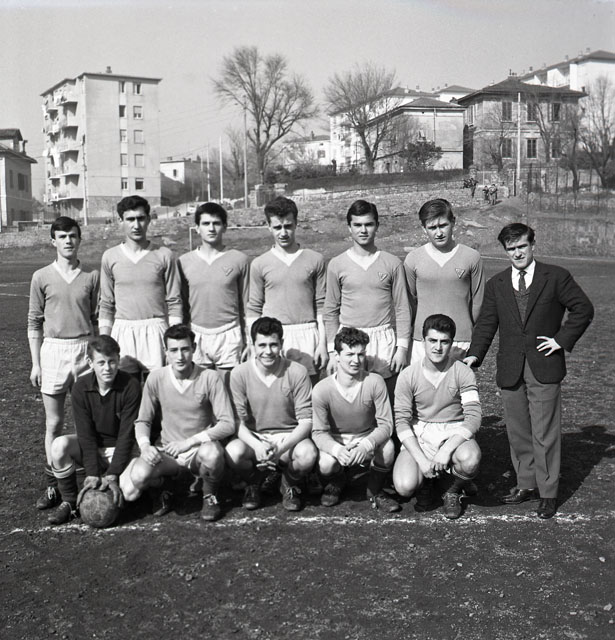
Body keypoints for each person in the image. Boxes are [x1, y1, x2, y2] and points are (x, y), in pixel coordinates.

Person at [464, 223, 593, 519]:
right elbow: (486, 324)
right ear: (505, 251)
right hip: (510, 367)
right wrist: (474, 354)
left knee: (545, 433)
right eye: (511, 249)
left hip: (544, 365)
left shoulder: (556, 276)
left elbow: (583, 308)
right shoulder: (497, 284)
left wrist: (561, 339)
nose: (517, 253)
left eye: (522, 246)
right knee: (518, 431)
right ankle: (526, 483)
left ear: (533, 245)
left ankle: (547, 493)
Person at [122, 325, 236, 522]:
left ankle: (209, 495)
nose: (180, 356)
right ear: (165, 352)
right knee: (137, 479)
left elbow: (228, 424)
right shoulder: (156, 378)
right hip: (169, 452)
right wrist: (145, 446)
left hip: (198, 450)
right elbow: (143, 420)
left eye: (185, 349)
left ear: (194, 348)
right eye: (173, 350)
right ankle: (166, 487)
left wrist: (189, 442)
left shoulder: (210, 377)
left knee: (212, 453)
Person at [28, 216, 99, 511]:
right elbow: (34, 322)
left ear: (79, 239)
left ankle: (91, 478)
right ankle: (54, 486)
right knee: (54, 423)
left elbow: (96, 317)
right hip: (54, 351)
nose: (68, 241)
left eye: (72, 235)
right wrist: (36, 364)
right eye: (62, 236)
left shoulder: (92, 276)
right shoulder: (41, 276)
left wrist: (98, 354)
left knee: (89, 420)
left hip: (85, 350)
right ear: (53, 241)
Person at [393, 314, 482, 520]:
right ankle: (429, 479)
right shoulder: (408, 375)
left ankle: (452, 489)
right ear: (423, 341)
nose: (438, 347)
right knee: (404, 486)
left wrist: (446, 450)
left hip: (453, 430)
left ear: (452, 343)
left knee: (470, 461)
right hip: (421, 433)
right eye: (432, 340)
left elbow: (474, 417)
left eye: (444, 341)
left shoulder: (463, 372)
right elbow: (402, 422)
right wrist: (422, 460)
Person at [47, 336, 141, 525]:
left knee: (131, 492)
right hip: (95, 448)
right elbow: (85, 434)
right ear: (90, 363)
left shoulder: (131, 385)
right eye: (101, 363)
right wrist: (92, 472)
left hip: (123, 449)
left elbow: (127, 435)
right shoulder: (80, 387)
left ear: (118, 359)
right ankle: (70, 501)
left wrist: (113, 473)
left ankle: (129, 488)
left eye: (112, 362)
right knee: (58, 446)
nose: (107, 368)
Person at [226, 317, 317, 512]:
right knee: (233, 452)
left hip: (288, 437)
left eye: (273, 345)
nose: (268, 351)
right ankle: (255, 482)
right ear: (253, 345)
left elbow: (306, 422)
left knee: (308, 455)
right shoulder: (239, 373)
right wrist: (257, 445)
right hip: (256, 437)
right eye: (262, 345)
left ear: (281, 344)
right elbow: (237, 422)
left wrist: (281, 449)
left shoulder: (297, 371)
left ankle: (288, 482)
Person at [323, 200, 411, 397]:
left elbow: (402, 308)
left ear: (377, 226)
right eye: (357, 225)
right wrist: (332, 351)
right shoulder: (337, 264)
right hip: (349, 341)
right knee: (352, 399)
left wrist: (402, 348)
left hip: (383, 341)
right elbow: (330, 311)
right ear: (349, 227)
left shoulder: (392, 263)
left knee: (385, 398)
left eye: (369, 224)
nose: (363, 230)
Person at [312, 328, 400, 512]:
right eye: (349, 354)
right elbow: (319, 432)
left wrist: (365, 445)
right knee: (325, 464)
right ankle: (337, 480)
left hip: (365, 436)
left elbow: (386, 424)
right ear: (337, 356)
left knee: (388, 449)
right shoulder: (322, 389)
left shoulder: (375, 382)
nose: (356, 360)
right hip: (337, 439)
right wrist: (337, 450)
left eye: (361, 354)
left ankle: (374, 490)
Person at [247, 196, 327, 385]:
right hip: (273, 338)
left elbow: (322, 305)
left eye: (288, 226)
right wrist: (253, 344)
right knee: (276, 392)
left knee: (308, 392)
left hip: (307, 334)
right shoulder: (259, 264)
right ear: (268, 226)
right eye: (277, 227)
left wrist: (323, 344)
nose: (283, 233)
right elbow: (254, 308)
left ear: (296, 223)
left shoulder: (315, 260)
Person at [99, 195, 183, 375]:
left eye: (140, 218)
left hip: (156, 330)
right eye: (130, 219)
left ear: (149, 219)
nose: (136, 225)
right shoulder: (110, 257)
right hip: (123, 331)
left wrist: (174, 340)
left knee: (157, 388)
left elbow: (174, 300)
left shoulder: (164, 255)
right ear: (120, 221)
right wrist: (104, 341)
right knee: (126, 389)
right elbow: (106, 303)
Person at [404, 198, 484, 363]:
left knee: (457, 380)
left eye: (443, 225)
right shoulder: (413, 259)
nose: (439, 233)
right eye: (432, 228)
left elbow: (478, 301)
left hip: (460, 340)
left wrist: (467, 328)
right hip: (422, 341)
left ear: (453, 222)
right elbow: (408, 302)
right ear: (424, 228)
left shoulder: (471, 257)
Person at [178, 202, 249, 386]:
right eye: (206, 223)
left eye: (216, 223)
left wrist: (248, 339)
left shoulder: (239, 260)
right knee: (200, 393)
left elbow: (247, 303)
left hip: (229, 333)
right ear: (197, 228)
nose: (211, 228)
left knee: (228, 392)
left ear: (225, 226)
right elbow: (180, 304)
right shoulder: (184, 262)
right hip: (197, 333)